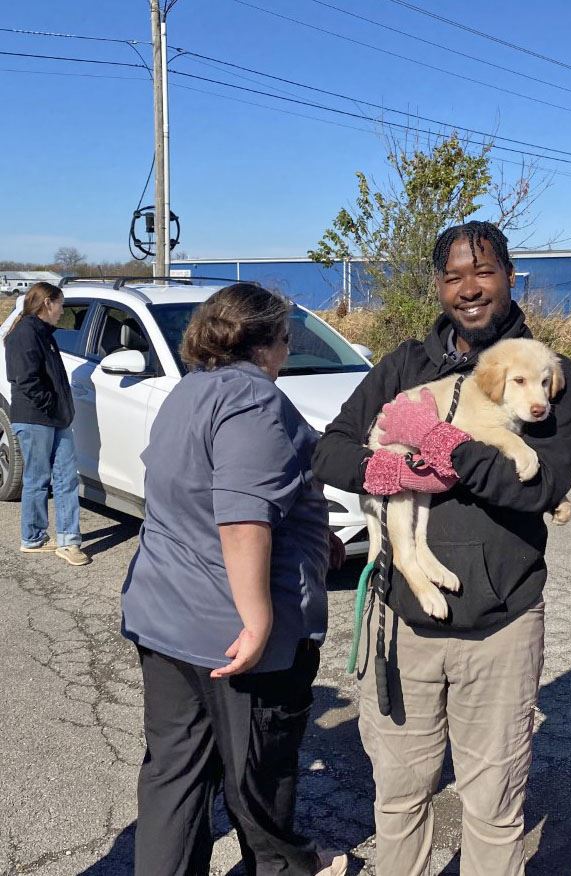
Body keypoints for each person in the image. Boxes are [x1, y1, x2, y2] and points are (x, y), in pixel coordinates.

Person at [313, 221, 571, 874]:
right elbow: (331, 448)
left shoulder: (552, 374)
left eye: (484, 271)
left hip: (502, 630)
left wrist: (445, 450)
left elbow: (537, 488)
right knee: (400, 797)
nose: (470, 288)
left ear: (510, 276)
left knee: (494, 807)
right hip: (400, 624)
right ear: (439, 285)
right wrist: (390, 470)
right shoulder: (405, 364)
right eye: (455, 275)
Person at [120, 283, 347, 876]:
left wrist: (315, 535)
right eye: (285, 338)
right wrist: (258, 619)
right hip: (234, 637)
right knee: (259, 778)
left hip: (165, 618)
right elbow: (243, 519)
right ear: (272, 341)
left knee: (175, 774)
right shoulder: (256, 402)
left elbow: (192, 490)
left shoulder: (187, 392)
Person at [3, 281, 89, 565]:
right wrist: (51, 404)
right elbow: (24, 379)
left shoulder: (43, 333)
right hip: (35, 418)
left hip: (57, 417)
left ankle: (68, 541)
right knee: (38, 479)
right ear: (47, 303)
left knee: (66, 477)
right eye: (61, 305)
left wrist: (60, 408)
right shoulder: (24, 334)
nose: (62, 311)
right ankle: (33, 537)